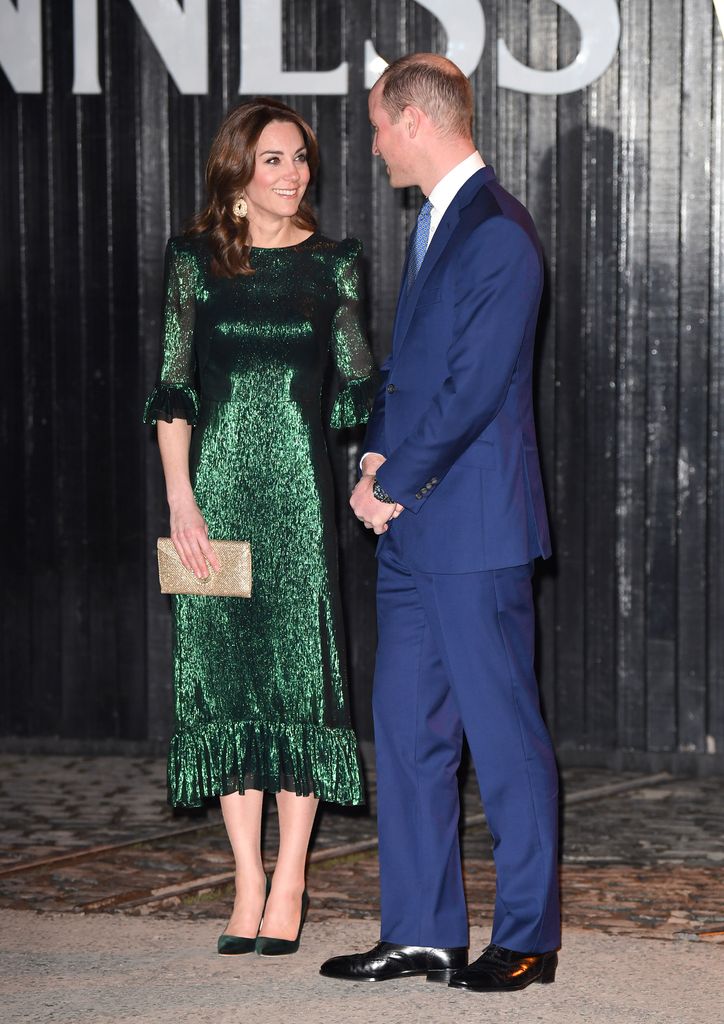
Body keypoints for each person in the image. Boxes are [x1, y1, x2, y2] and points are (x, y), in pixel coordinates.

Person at [320, 54, 560, 992]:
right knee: (411, 736)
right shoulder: (433, 222)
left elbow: (473, 390)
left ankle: (529, 936)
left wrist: (394, 479)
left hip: (472, 533)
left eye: (378, 125)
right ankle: (422, 930)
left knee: (502, 740)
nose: (373, 143)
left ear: (415, 121)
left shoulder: (498, 232)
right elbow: (411, 374)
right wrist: (373, 459)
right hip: (415, 529)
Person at [143, 98, 376, 957]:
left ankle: (292, 881)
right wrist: (180, 497)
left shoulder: (333, 266)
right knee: (222, 681)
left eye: (302, 159)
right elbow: (174, 390)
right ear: (238, 175)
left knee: (298, 683)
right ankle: (245, 877)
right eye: (276, 159)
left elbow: (358, 381)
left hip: (299, 504)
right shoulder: (192, 263)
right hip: (212, 502)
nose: (294, 174)